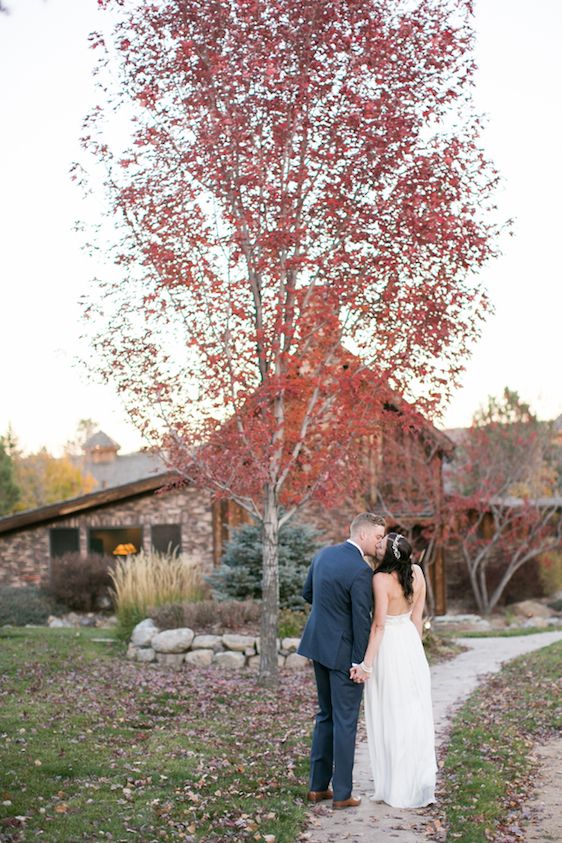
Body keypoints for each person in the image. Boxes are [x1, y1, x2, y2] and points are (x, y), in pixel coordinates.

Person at [298, 513, 386, 809]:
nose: (379, 542)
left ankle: (316, 787)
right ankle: (343, 793)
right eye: (377, 537)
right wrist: (360, 663)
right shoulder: (361, 570)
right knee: (345, 721)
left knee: (325, 715)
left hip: (317, 645)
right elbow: (362, 622)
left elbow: (308, 593)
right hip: (343, 654)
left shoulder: (323, 555)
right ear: (362, 535)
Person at [352, 532, 436, 808]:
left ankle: (397, 786)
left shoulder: (380, 579)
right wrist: (416, 654)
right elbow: (416, 619)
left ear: (387, 554)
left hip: (389, 647)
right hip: (410, 645)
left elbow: (379, 626)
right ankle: (413, 780)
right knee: (412, 714)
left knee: (391, 714)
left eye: (380, 544)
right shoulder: (417, 573)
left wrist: (366, 665)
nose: (376, 544)